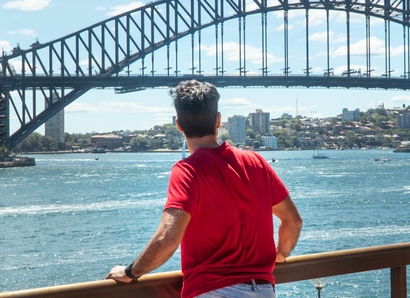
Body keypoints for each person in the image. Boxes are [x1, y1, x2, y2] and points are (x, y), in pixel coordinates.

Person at [106, 80, 303, 298]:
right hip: (264, 291)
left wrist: (131, 272)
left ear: (178, 124)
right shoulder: (255, 162)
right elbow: (293, 221)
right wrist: (281, 254)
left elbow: (168, 237)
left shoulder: (188, 170)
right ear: (218, 121)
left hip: (214, 291)